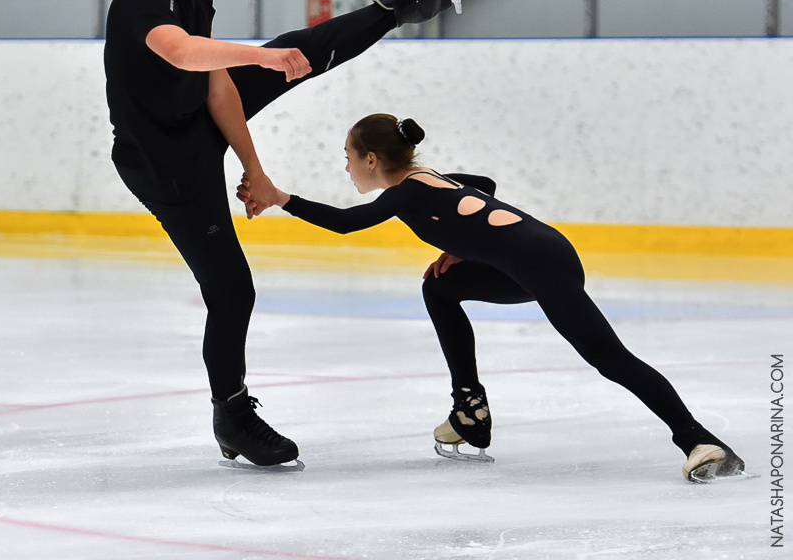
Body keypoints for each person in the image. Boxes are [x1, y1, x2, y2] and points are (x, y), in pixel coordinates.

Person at [103, 0, 458, 467]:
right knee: (231, 289)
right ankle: (232, 416)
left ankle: (401, 5)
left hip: (196, 122)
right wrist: (261, 55)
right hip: (163, 165)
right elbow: (180, 51)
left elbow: (217, 88)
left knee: (302, 51)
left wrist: (254, 169)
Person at [245, 113, 746, 481]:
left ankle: (699, 440)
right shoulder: (427, 180)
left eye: (348, 159)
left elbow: (345, 222)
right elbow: (481, 187)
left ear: (371, 159)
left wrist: (280, 197)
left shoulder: (403, 193)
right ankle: (469, 413)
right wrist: (459, 247)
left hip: (545, 266)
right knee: (439, 286)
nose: (348, 169)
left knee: (610, 359)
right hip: (529, 261)